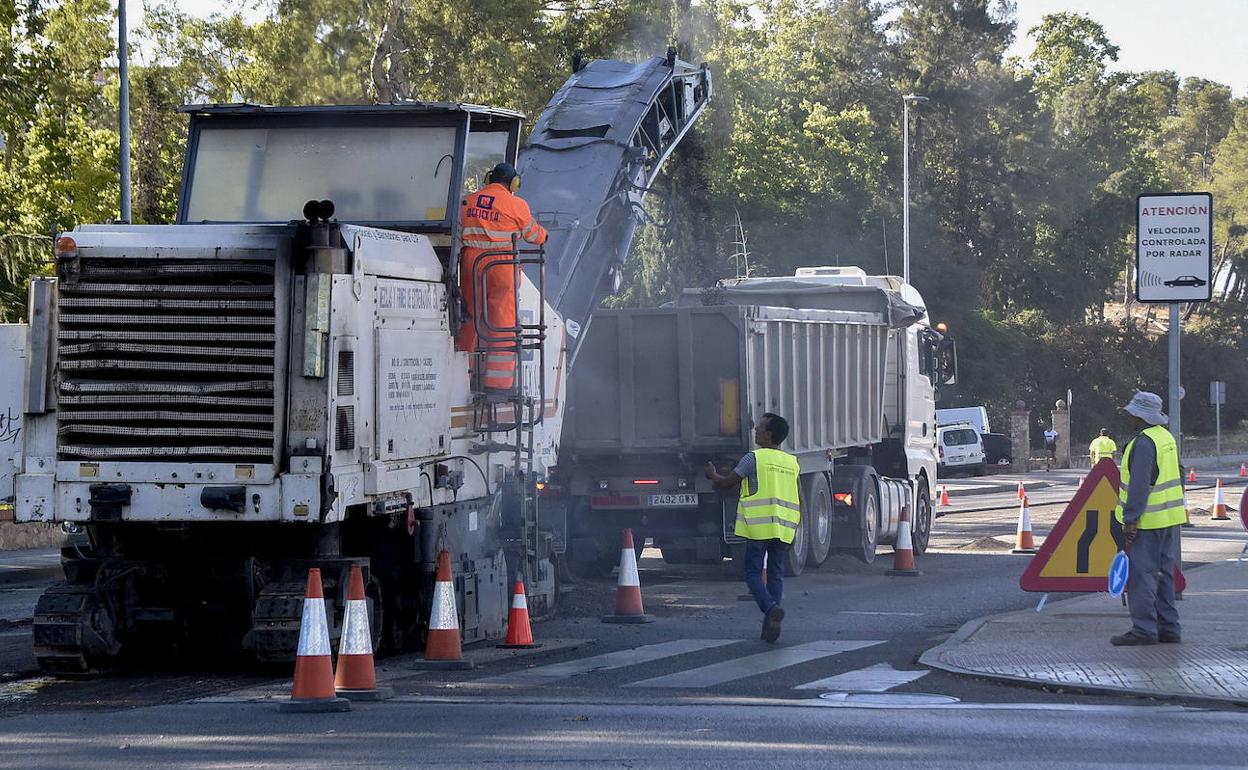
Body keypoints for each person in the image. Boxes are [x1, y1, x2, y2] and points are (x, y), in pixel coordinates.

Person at [705, 413, 801, 643]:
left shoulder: (754, 458)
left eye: (760, 427)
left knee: (752, 573)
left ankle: (770, 609)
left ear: (769, 434)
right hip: (785, 527)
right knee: (776, 573)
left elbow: (726, 483)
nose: (755, 429)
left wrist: (712, 474)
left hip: (759, 527)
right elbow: (798, 498)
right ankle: (771, 623)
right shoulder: (792, 462)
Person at [457, 161, 548, 390]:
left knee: (469, 320)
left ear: (489, 179)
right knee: (502, 324)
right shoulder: (516, 204)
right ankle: (497, 383)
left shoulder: (468, 201)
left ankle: (461, 377)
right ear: (514, 183)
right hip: (501, 266)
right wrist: (545, 235)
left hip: (471, 265)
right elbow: (533, 235)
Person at [1111, 392, 1186, 646]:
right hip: (1168, 518)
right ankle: (1169, 628)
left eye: (1132, 413)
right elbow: (1181, 474)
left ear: (1140, 416)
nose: (1129, 417)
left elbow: (1140, 485)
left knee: (1142, 576)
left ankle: (1144, 630)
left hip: (1147, 522)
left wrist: (1130, 520)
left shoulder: (1143, 442)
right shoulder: (1166, 438)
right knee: (1165, 576)